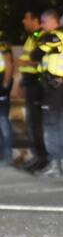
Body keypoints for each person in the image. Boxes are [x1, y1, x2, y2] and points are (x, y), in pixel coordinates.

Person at [32, 10, 63, 177]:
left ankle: (54, 164)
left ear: (52, 21)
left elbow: (35, 54)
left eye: (43, 23)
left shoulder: (53, 37)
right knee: (61, 124)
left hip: (53, 87)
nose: (42, 26)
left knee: (50, 126)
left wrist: (41, 38)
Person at [18, 11, 47, 171]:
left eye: (26, 18)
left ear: (35, 20)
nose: (23, 21)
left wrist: (24, 61)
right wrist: (22, 83)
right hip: (30, 83)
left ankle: (42, 159)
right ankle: (38, 157)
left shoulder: (41, 37)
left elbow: (39, 61)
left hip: (37, 84)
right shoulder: (32, 38)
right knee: (31, 123)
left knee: (36, 124)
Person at [0, 37, 13, 165]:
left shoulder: (2, 44)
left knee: (3, 120)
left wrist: (5, 85)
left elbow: (9, 64)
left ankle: (7, 156)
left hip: (0, 87)